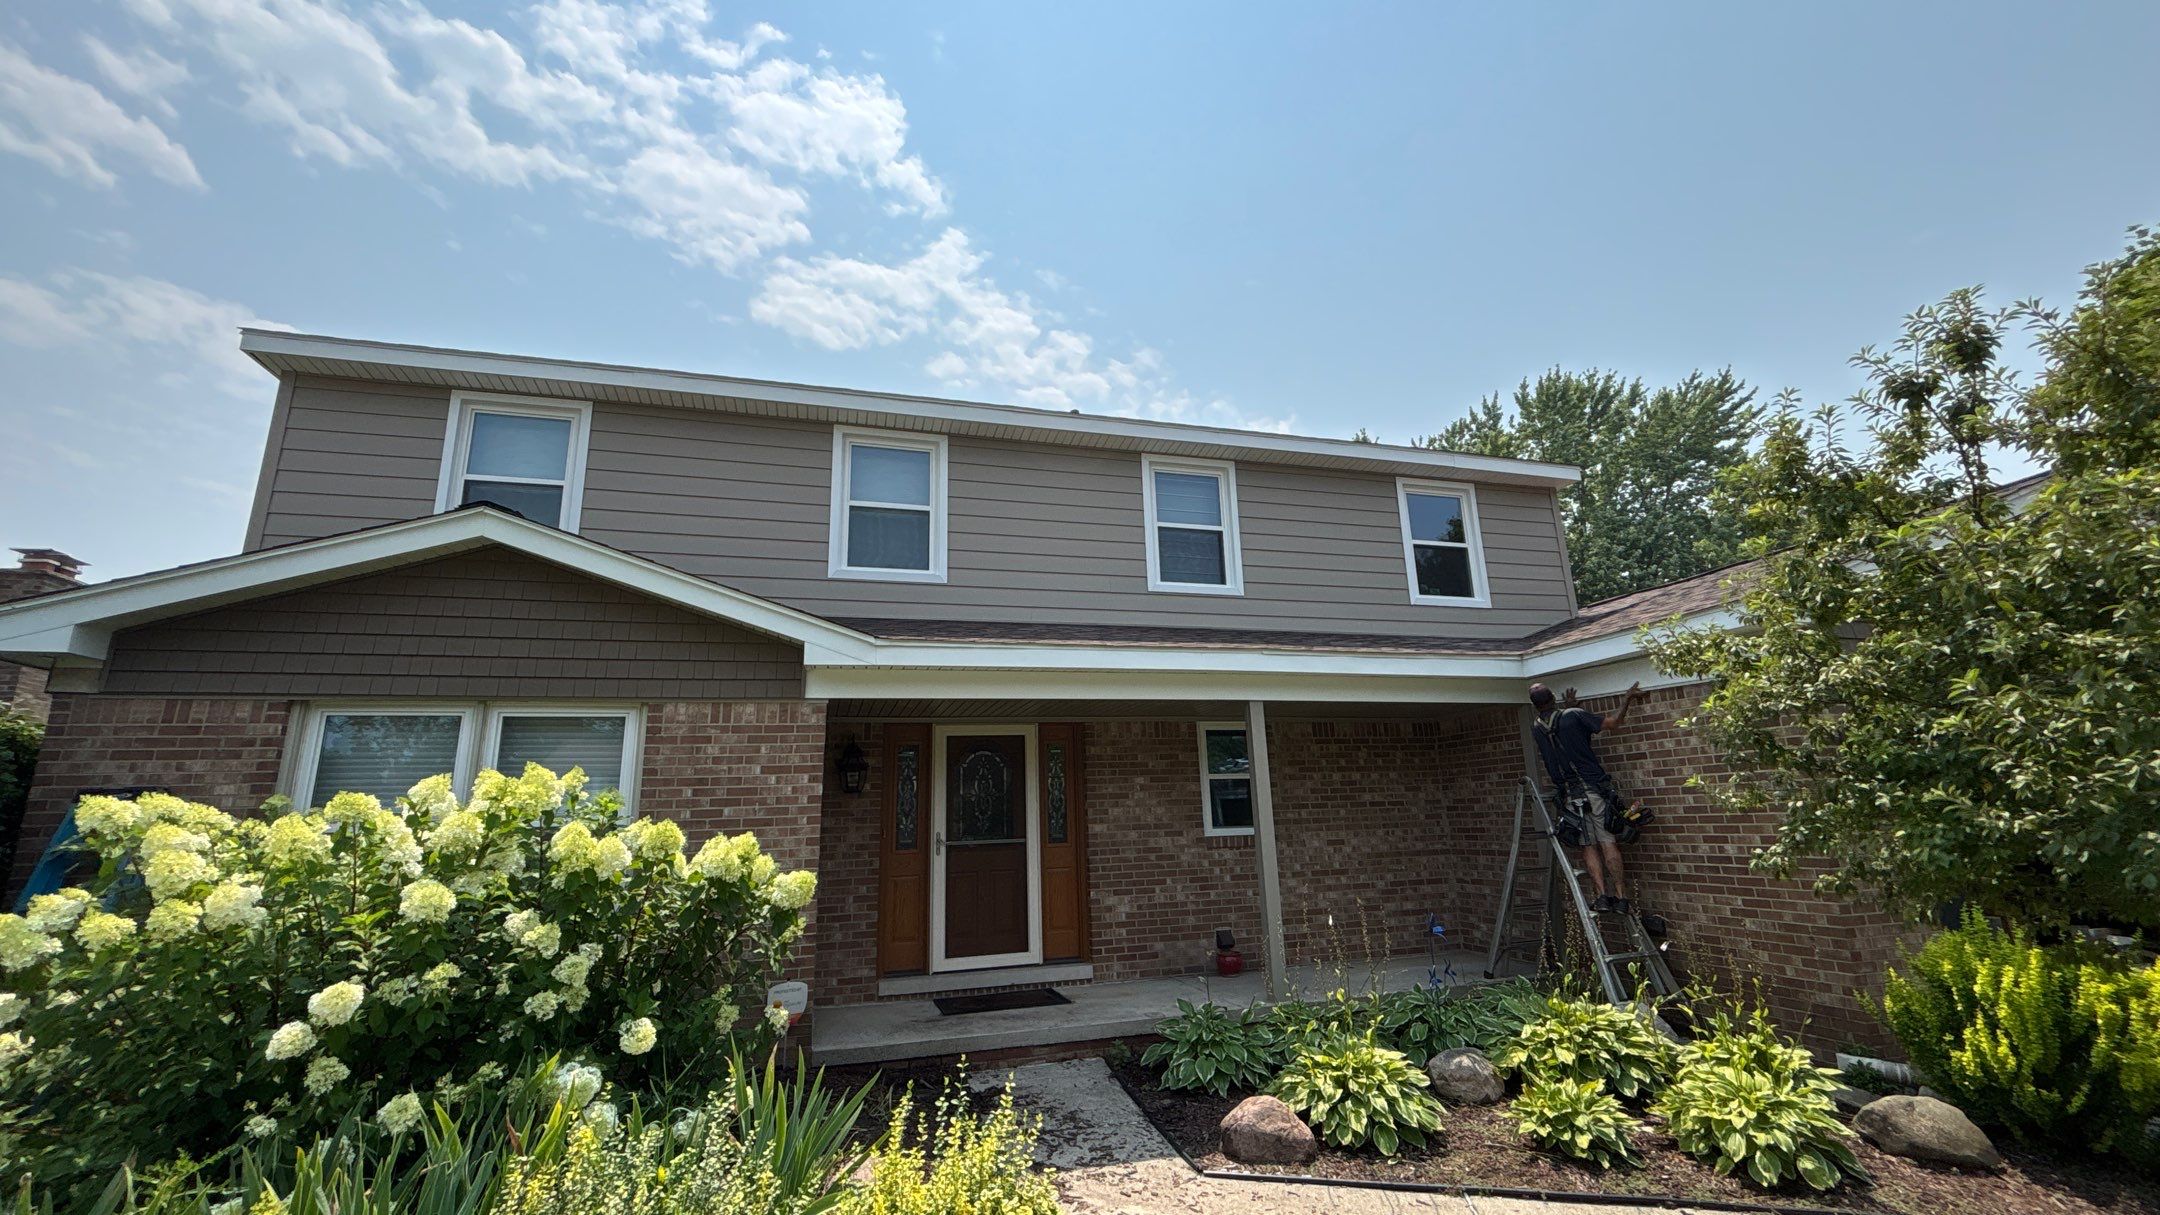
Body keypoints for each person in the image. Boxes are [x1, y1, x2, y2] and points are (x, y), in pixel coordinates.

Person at [1529, 680, 1649, 914]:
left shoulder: (1537, 727)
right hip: (1592, 788)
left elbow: (1560, 728)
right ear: (1553, 697)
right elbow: (1614, 723)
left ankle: (1602, 897)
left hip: (1569, 794)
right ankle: (1621, 898)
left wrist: (1569, 708)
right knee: (1607, 841)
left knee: (1587, 846)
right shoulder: (1574, 715)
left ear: (1535, 706)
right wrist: (1627, 698)